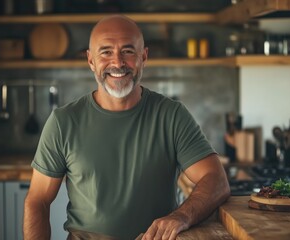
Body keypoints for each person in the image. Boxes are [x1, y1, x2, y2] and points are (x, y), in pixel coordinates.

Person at [23, 14, 230, 240]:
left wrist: (181, 216)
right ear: (91, 60)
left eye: (128, 51)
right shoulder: (63, 121)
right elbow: (38, 201)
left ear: (144, 57)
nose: (118, 63)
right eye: (106, 52)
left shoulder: (172, 115)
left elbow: (216, 179)